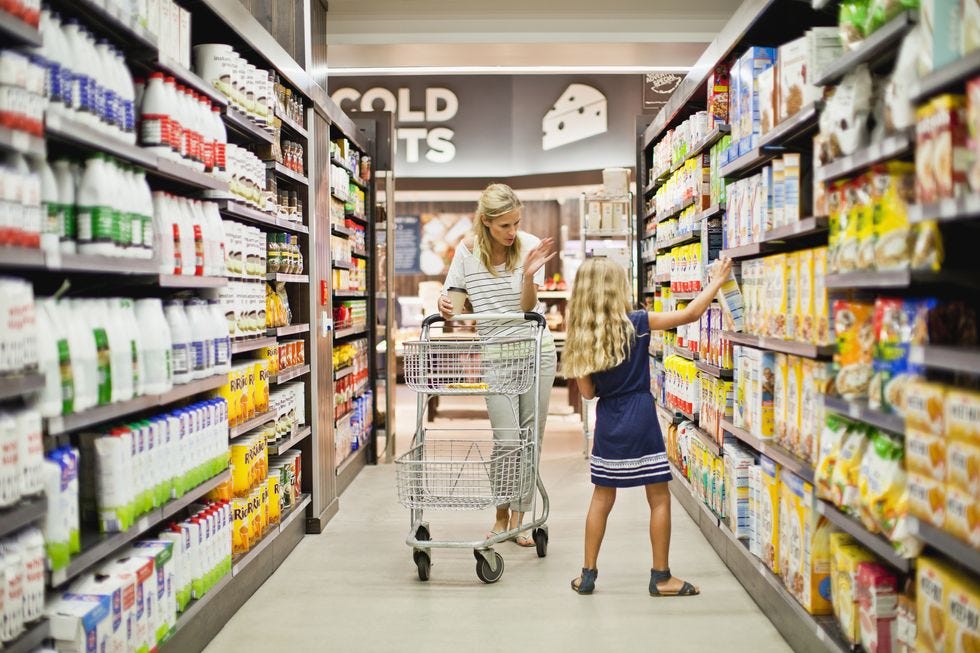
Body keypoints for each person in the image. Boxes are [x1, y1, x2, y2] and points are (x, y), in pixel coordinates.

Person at [561, 255, 733, 595]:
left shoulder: (581, 337)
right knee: (658, 499)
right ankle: (661, 577)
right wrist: (717, 281)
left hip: (609, 420)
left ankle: (588, 575)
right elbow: (689, 314)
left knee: (601, 498)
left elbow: (589, 392)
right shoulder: (637, 322)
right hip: (641, 417)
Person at [439, 183, 557, 547]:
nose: (512, 232)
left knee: (529, 437)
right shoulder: (467, 251)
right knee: (507, 440)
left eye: (516, 223)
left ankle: (519, 519)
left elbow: (526, 308)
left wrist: (528, 275)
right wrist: (446, 305)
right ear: (486, 222)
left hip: (536, 348)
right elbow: (455, 302)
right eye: (505, 225)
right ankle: (501, 514)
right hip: (496, 353)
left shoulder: (528, 245)